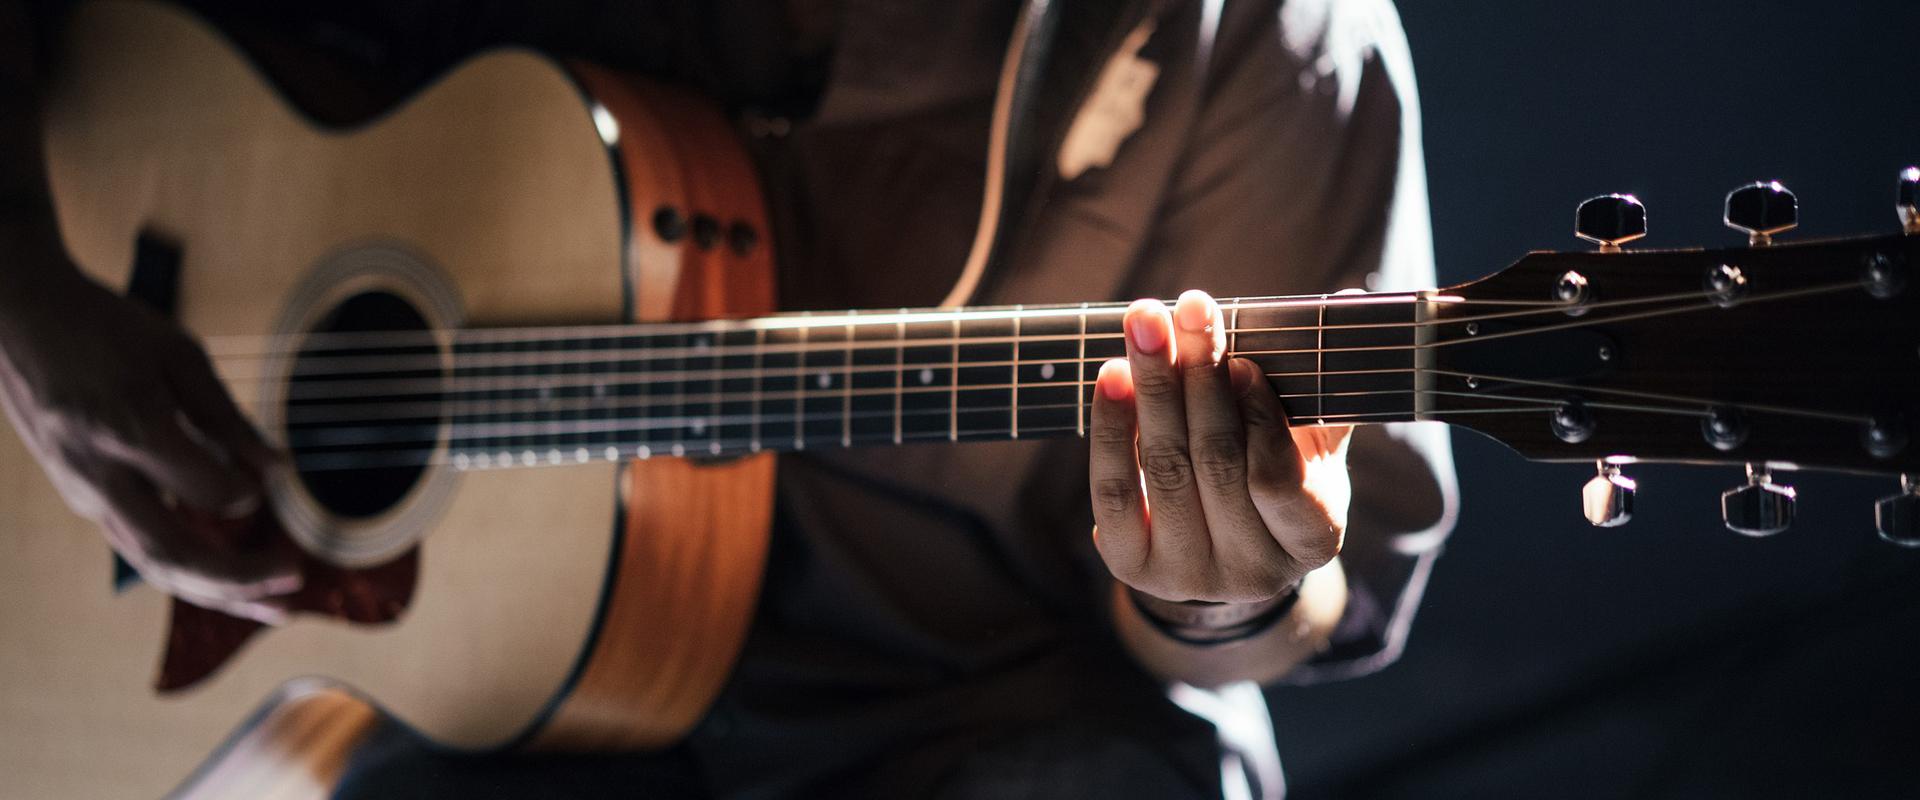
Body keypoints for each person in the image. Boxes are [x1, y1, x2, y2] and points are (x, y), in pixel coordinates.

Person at [0, 0, 1456, 796]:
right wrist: (27, 300)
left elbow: (1303, 614)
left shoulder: (1268, 37)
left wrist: (1227, 589)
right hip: (521, 714)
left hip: (984, 711)